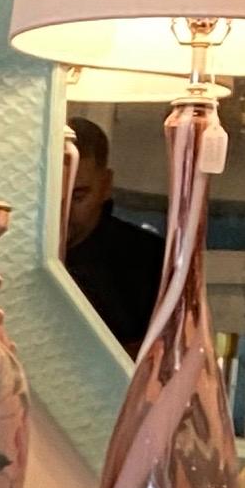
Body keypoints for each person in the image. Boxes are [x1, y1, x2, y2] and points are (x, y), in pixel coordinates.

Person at [59, 114, 163, 352]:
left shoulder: (149, 259)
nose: (61, 212)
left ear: (105, 185)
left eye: (78, 197)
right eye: (52, 194)